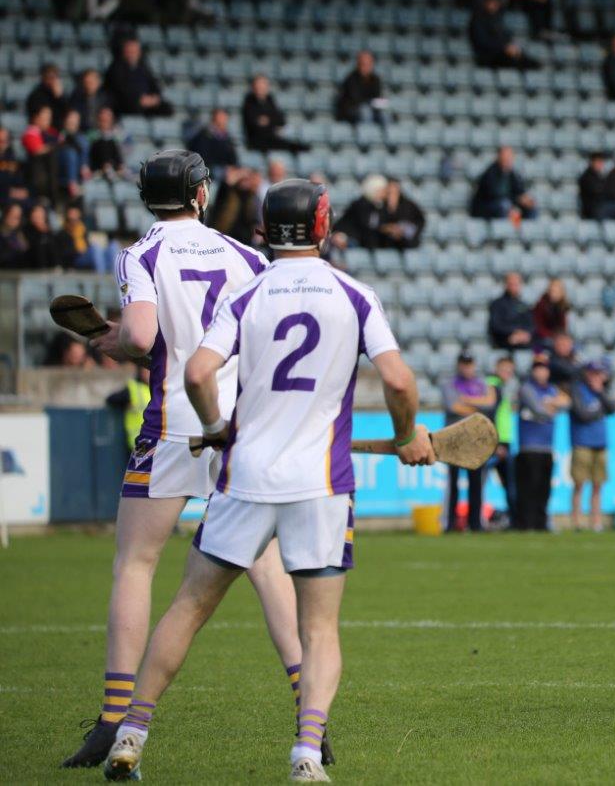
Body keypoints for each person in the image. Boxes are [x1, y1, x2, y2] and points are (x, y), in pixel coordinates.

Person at [101, 178, 433, 782]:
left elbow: (200, 371)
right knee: (318, 626)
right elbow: (401, 382)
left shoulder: (248, 295)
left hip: (245, 477)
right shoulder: (354, 294)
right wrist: (408, 434)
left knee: (187, 607)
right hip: (321, 485)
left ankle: (131, 732)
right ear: (324, 226)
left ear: (265, 228)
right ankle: (307, 753)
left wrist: (215, 425)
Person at [61, 151, 318, 770]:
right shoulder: (244, 254)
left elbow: (145, 339)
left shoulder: (141, 253)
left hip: (175, 425)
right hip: (237, 429)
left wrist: (111, 340)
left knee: (136, 566)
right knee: (265, 566)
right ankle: (311, 714)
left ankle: (112, 721)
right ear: (200, 195)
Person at [441, 351, 497, 533]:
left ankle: (475, 523)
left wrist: (466, 401)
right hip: (453, 440)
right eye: (464, 364)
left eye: (470, 364)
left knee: (476, 483)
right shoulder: (449, 384)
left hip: (474, 440)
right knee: (453, 483)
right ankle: (449, 523)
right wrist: (477, 408)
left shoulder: (480, 383)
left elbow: (490, 402)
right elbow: (453, 405)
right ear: (458, 365)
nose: (467, 368)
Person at [515, 357, 569, 531]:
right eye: (538, 368)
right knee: (528, 488)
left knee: (543, 488)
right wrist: (553, 406)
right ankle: (525, 523)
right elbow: (539, 410)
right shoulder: (527, 389)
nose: (541, 372)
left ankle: (540, 522)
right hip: (529, 446)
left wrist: (549, 404)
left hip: (547, 447)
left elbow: (567, 402)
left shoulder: (551, 389)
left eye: (544, 369)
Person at [568, 360, 613, 532]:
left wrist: (600, 393)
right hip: (582, 442)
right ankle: (577, 521)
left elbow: (612, 409)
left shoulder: (600, 392)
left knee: (597, 484)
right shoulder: (578, 390)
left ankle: (596, 521)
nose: (596, 377)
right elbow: (582, 414)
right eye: (593, 373)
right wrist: (597, 410)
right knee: (579, 483)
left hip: (600, 442)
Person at [485, 355, 518, 526]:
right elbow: (490, 416)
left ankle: (513, 519)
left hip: (504, 440)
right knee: (506, 483)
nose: (508, 373)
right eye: (505, 369)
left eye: (510, 370)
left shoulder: (501, 387)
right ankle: (513, 519)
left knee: (509, 483)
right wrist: (496, 443)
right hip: (497, 443)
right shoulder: (493, 386)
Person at [469, 0, 541, 71]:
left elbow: (506, 37)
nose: (495, 6)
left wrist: (511, 47)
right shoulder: (477, 20)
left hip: (502, 53)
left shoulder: (496, 19)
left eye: (496, 3)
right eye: (492, 3)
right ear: (485, 3)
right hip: (488, 56)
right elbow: (482, 41)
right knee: (515, 62)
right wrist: (504, 48)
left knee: (533, 63)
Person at [104, 38, 172, 117]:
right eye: (130, 51)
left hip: (146, 102)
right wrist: (139, 100)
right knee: (133, 106)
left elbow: (154, 85)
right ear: (124, 52)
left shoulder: (143, 67)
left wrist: (154, 98)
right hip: (127, 103)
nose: (132, 53)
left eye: (135, 51)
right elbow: (120, 90)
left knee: (166, 108)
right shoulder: (115, 68)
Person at [470, 145, 537, 224]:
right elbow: (493, 194)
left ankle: (524, 232)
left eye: (510, 157)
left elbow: (519, 190)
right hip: (486, 207)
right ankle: (504, 232)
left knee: (531, 208)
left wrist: (524, 199)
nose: (508, 160)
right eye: (505, 157)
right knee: (505, 206)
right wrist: (515, 201)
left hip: (507, 204)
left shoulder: (512, 174)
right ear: (499, 157)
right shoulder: (490, 173)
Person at [242, 74, 307, 154]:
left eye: (263, 85)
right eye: (258, 85)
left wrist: (268, 121)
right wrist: (271, 122)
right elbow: (254, 124)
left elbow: (281, 121)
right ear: (253, 87)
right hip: (256, 141)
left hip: (272, 139)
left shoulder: (270, 99)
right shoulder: (249, 101)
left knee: (303, 148)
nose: (261, 87)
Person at [332, 173, 387, 250]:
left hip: (361, 240)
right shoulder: (360, 204)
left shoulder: (380, 206)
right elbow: (364, 225)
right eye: (382, 191)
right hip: (350, 237)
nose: (385, 194)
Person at [334, 50, 386, 125]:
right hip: (350, 110)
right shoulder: (351, 78)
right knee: (365, 111)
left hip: (370, 108)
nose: (366, 67)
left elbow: (377, 97)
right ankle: (367, 136)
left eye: (369, 64)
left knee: (385, 114)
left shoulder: (375, 79)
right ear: (358, 64)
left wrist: (376, 103)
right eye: (363, 64)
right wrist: (371, 102)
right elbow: (355, 100)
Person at [185, 108, 238, 179]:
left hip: (225, 169)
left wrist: (232, 168)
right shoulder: (205, 135)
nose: (224, 120)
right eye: (222, 117)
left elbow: (233, 158)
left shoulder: (227, 137)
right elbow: (203, 157)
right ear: (214, 118)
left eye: (225, 118)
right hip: (210, 169)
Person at [22, 105, 60, 203]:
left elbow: (60, 142)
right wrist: (52, 147)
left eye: (49, 118)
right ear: (36, 118)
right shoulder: (30, 133)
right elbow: (37, 150)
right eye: (44, 118)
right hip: (37, 173)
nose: (47, 121)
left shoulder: (51, 132)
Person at [488, 272, 534, 350]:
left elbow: (530, 324)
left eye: (516, 284)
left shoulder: (524, 305)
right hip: (503, 341)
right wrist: (513, 333)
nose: (514, 287)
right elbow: (496, 326)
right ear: (505, 285)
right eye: (511, 284)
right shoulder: (497, 304)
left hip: (522, 342)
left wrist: (522, 335)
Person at [579, 152, 615, 220]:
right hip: (593, 210)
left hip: (601, 207)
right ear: (592, 162)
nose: (600, 164)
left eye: (601, 162)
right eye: (598, 162)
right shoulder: (586, 177)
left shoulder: (599, 176)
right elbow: (598, 192)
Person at [378, 179, 425, 250]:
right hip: (386, 244)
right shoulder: (380, 205)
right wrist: (389, 229)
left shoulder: (409, 205)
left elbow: (420, 221)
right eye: (390, 190)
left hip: (407, 244)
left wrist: (404, 231)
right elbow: (377, 224)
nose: (392, 192)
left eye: (394, 189)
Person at [26, 64, 70, 129]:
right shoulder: (36, 95)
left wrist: (60, 97)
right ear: (43, 78)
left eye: (54, 78)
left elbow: (67, 113)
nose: (51, 81)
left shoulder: (61, 94)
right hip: (41, 130)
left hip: (57, 130)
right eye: (49, 78)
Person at [89, 106, 129, 178]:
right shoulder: (92, 134)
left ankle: (117, 169)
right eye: (102, 120)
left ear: (112, 120)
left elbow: (126, 149)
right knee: (103, 142)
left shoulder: (118, 134)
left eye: (107, 119)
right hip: (98, 164)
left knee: (111, 142)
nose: (105, 122)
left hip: (115, 162)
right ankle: (108, 168)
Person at [532, 277, 570, 341]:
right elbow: (538, 326)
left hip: (558, 337)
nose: (554, 293)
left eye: (556, 291)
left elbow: (563, 327)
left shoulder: (563, 306)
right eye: (552, 290)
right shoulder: (541, 305)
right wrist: (552, 335)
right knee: (539, 348)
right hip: (541, 338)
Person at [23, 200, 58, 268]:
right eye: (35, 213)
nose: (38, 216)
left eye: (41, 213)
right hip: (32, 268)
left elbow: (55, 251)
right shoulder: (26, 231)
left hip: (51, 269)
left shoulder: (49, 232)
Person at [0, 127, 29, 205]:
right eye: (0, 141)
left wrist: (22, 190)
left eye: (5, 140)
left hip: (12, 196)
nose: (2, 143)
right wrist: (8, 191)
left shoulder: (11, 157)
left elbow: (18, 178)